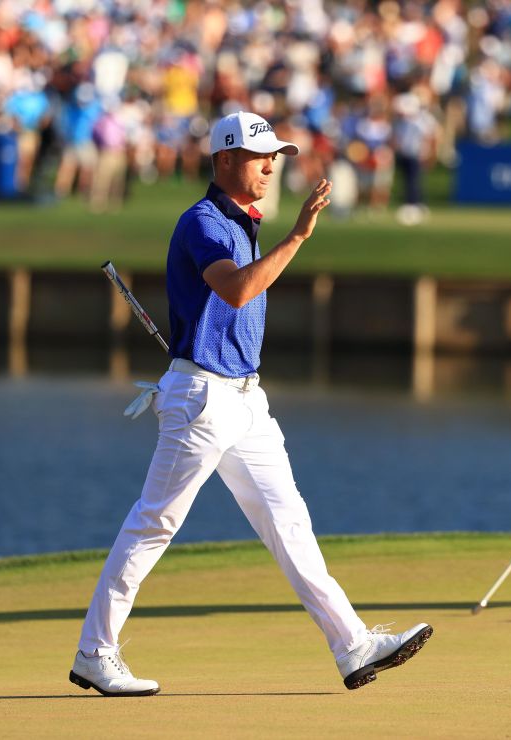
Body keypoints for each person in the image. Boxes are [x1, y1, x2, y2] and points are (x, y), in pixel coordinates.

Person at [69, 111, 433, 697]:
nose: (271, 166)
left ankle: (352, 644)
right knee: (154, 523)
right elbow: (237, 290)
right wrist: (297, 238)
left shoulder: (243, 223)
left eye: (276, 158)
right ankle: (95, 652)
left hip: (245, 400)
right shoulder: (205, 222)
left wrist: (283, 236)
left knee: (289, 523)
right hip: (201, 399)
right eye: (261, 156)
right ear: (225, 160)